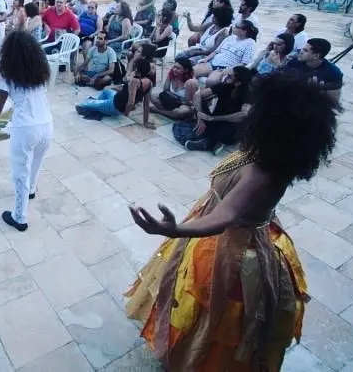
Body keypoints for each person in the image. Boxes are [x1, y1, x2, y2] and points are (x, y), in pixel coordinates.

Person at [124, 72, 340, 371]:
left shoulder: (263, 172)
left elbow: (226, 216)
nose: (250, 110)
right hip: (218, 228)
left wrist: (171, 229)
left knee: (215, 313)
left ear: (274, 123)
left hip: (233, 252)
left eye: (258, 108)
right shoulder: (266, 153)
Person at [0, 32, 53, 232]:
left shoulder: (6, 73)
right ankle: (32, 191)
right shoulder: (42, 69)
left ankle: (19, 217)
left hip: (25, 128)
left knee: (20, 174)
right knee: (36, 163)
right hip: (47, 124)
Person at [183, 65, 254, 153]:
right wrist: (200, 116)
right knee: (201, 102)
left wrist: (214, 118)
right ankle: (208, 135)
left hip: (229, 127)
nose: (226, 77)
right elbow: (198, 95)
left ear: (238, 82)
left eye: (230, 76)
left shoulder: (248, 94)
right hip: (215, 120)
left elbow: (243, 114)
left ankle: (210, 143)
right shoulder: (225, 86)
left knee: (236, 121)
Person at [192, 19, 257, 82]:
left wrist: (230, 69)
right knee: (192, 72)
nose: (233, 27)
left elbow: (244, 63)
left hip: (225, 68)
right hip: (213, 62)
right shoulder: (230, 38)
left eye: (236, 26)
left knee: (211, 81)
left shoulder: (250, 43)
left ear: (244, 31)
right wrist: (206, 59)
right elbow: (216, 52)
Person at [282, 38, 343, 102]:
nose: (301, 52)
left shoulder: (334, 73)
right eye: (302, 48)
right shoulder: (293, 63)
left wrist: (317, 91)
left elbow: (335, 101)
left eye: (305, 50)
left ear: (316, 56)